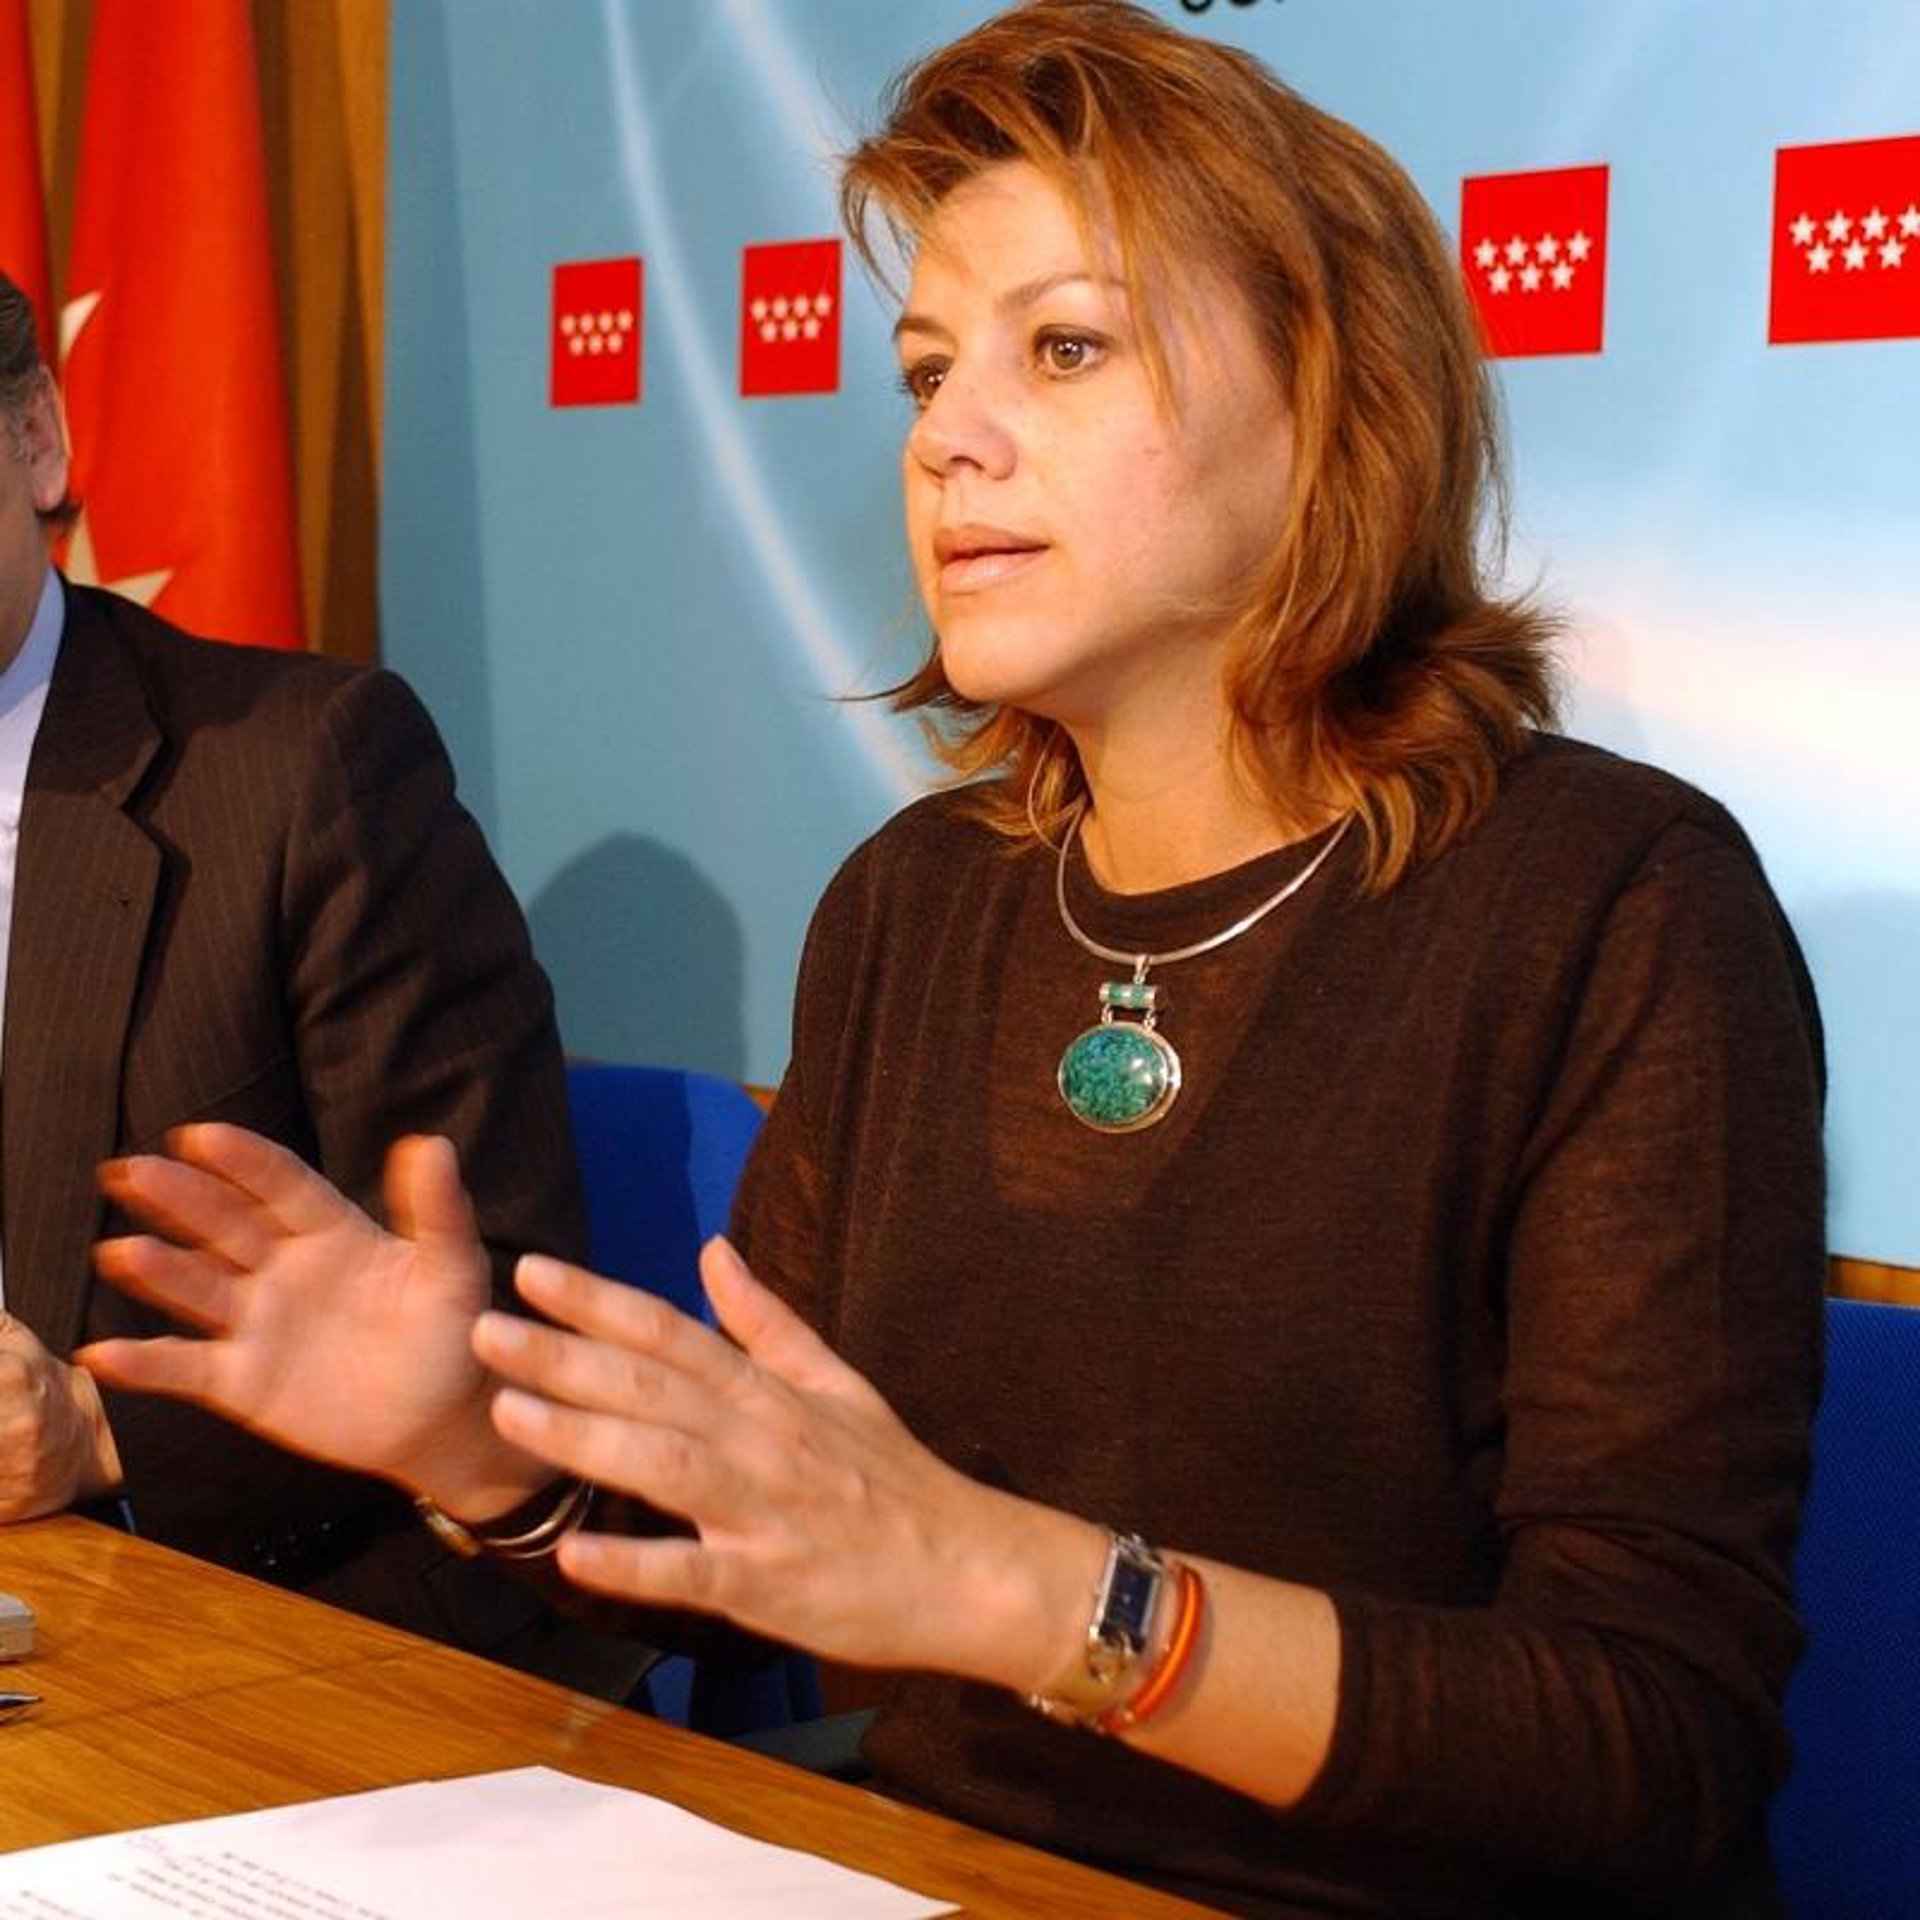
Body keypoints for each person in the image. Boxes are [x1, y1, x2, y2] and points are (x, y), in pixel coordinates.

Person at [83, 3, 1827, 1913]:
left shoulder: (1616, 902)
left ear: (1335, 402)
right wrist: (469, 1445)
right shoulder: (916, 902)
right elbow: (784, 1546)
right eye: (926, 373)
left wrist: (1036, 1596)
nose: (943, 439)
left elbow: (1651, 1743)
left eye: (1063, 349)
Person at [0, 269, 618, 1678]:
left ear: (35, 438)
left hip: (270, 1626)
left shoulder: (306, 770)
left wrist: (94, 1433)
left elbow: (491, 1294)